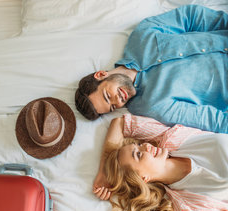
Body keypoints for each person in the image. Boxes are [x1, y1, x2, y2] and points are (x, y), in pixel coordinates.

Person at [75, 4, 228, 133]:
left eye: (108, 96)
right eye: (113, 107)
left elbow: (191, 17)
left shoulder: (141, 36)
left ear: (101, 75)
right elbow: (212, 120)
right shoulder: (151, 107)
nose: (118, 101)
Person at [93, 114, 228, 211]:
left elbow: (120, 123)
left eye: (138, 145)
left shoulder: (172, 139)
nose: (145, 145)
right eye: (138, 154)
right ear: (142, 178)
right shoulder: (188, 207)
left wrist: (102, 171)